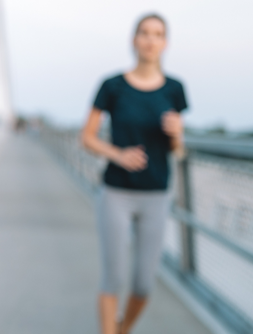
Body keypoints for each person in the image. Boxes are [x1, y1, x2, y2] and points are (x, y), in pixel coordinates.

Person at [80, 13, 187, 334]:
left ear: (165, 43)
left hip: (156, 192)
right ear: (134, 39)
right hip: (117, 191)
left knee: (143, 284)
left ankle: (122, 329)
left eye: (158, 34)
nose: (151, 40)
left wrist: (178, 134)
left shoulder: (175, 89)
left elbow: (178, 150)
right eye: (144, 33)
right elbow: (87, 137)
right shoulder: (112, 86)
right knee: (113, 277)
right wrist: (119, 154)